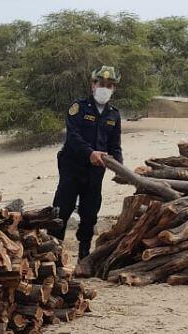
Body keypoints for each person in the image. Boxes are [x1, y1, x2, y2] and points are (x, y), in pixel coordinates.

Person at [51, 66, 123, 261]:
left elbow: (115, 145)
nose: (105, 88)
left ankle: (84, 255)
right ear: (93, 84)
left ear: (114, 89)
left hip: (95, 172)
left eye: (109, 85)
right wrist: (89, 153)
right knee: (62, 209)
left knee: (90, 213)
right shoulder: (79, 107)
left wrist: (120, 167)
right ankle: (52, 254)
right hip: (72, 166)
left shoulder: (113, 115)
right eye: (101, 84)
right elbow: (73, 136)